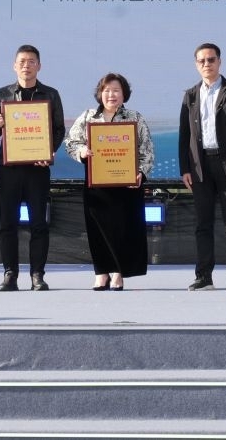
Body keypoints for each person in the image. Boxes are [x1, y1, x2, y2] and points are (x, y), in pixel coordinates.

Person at [178, 43, 226, 292]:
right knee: (203, 224)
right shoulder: (190, 95)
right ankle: (204, 277)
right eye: (201, 61)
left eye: (211, 59)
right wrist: (185, 168)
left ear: (219, 62)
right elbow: (184, 134)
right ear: (196, 65)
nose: (207, 64)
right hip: (200, 165)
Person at [65, 73, 155, 291]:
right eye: (106, 90)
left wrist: (141, 173)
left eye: (116, 90)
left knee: (122, 230)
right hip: (97, 185)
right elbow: (71, 142)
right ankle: (101, 272)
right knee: (97, 230)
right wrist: (82, 151)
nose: (111, 95)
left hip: (126, 185)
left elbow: (147, 150)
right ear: (99, 94)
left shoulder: (134, 117)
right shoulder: (88, 116)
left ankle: (118, 272)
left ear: (124, 94)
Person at [0, 44, 65, 291]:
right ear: (14, 66)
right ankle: (10, 274)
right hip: (9, 168)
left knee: (38, 224)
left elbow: (59, 129)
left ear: (39, 66)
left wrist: (49, 152)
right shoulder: (3, 93)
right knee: (7, 224)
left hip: (37, 168)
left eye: (31, 61)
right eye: (22, 61)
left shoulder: (50, 94)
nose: (26, 66)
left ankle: (37, 274)